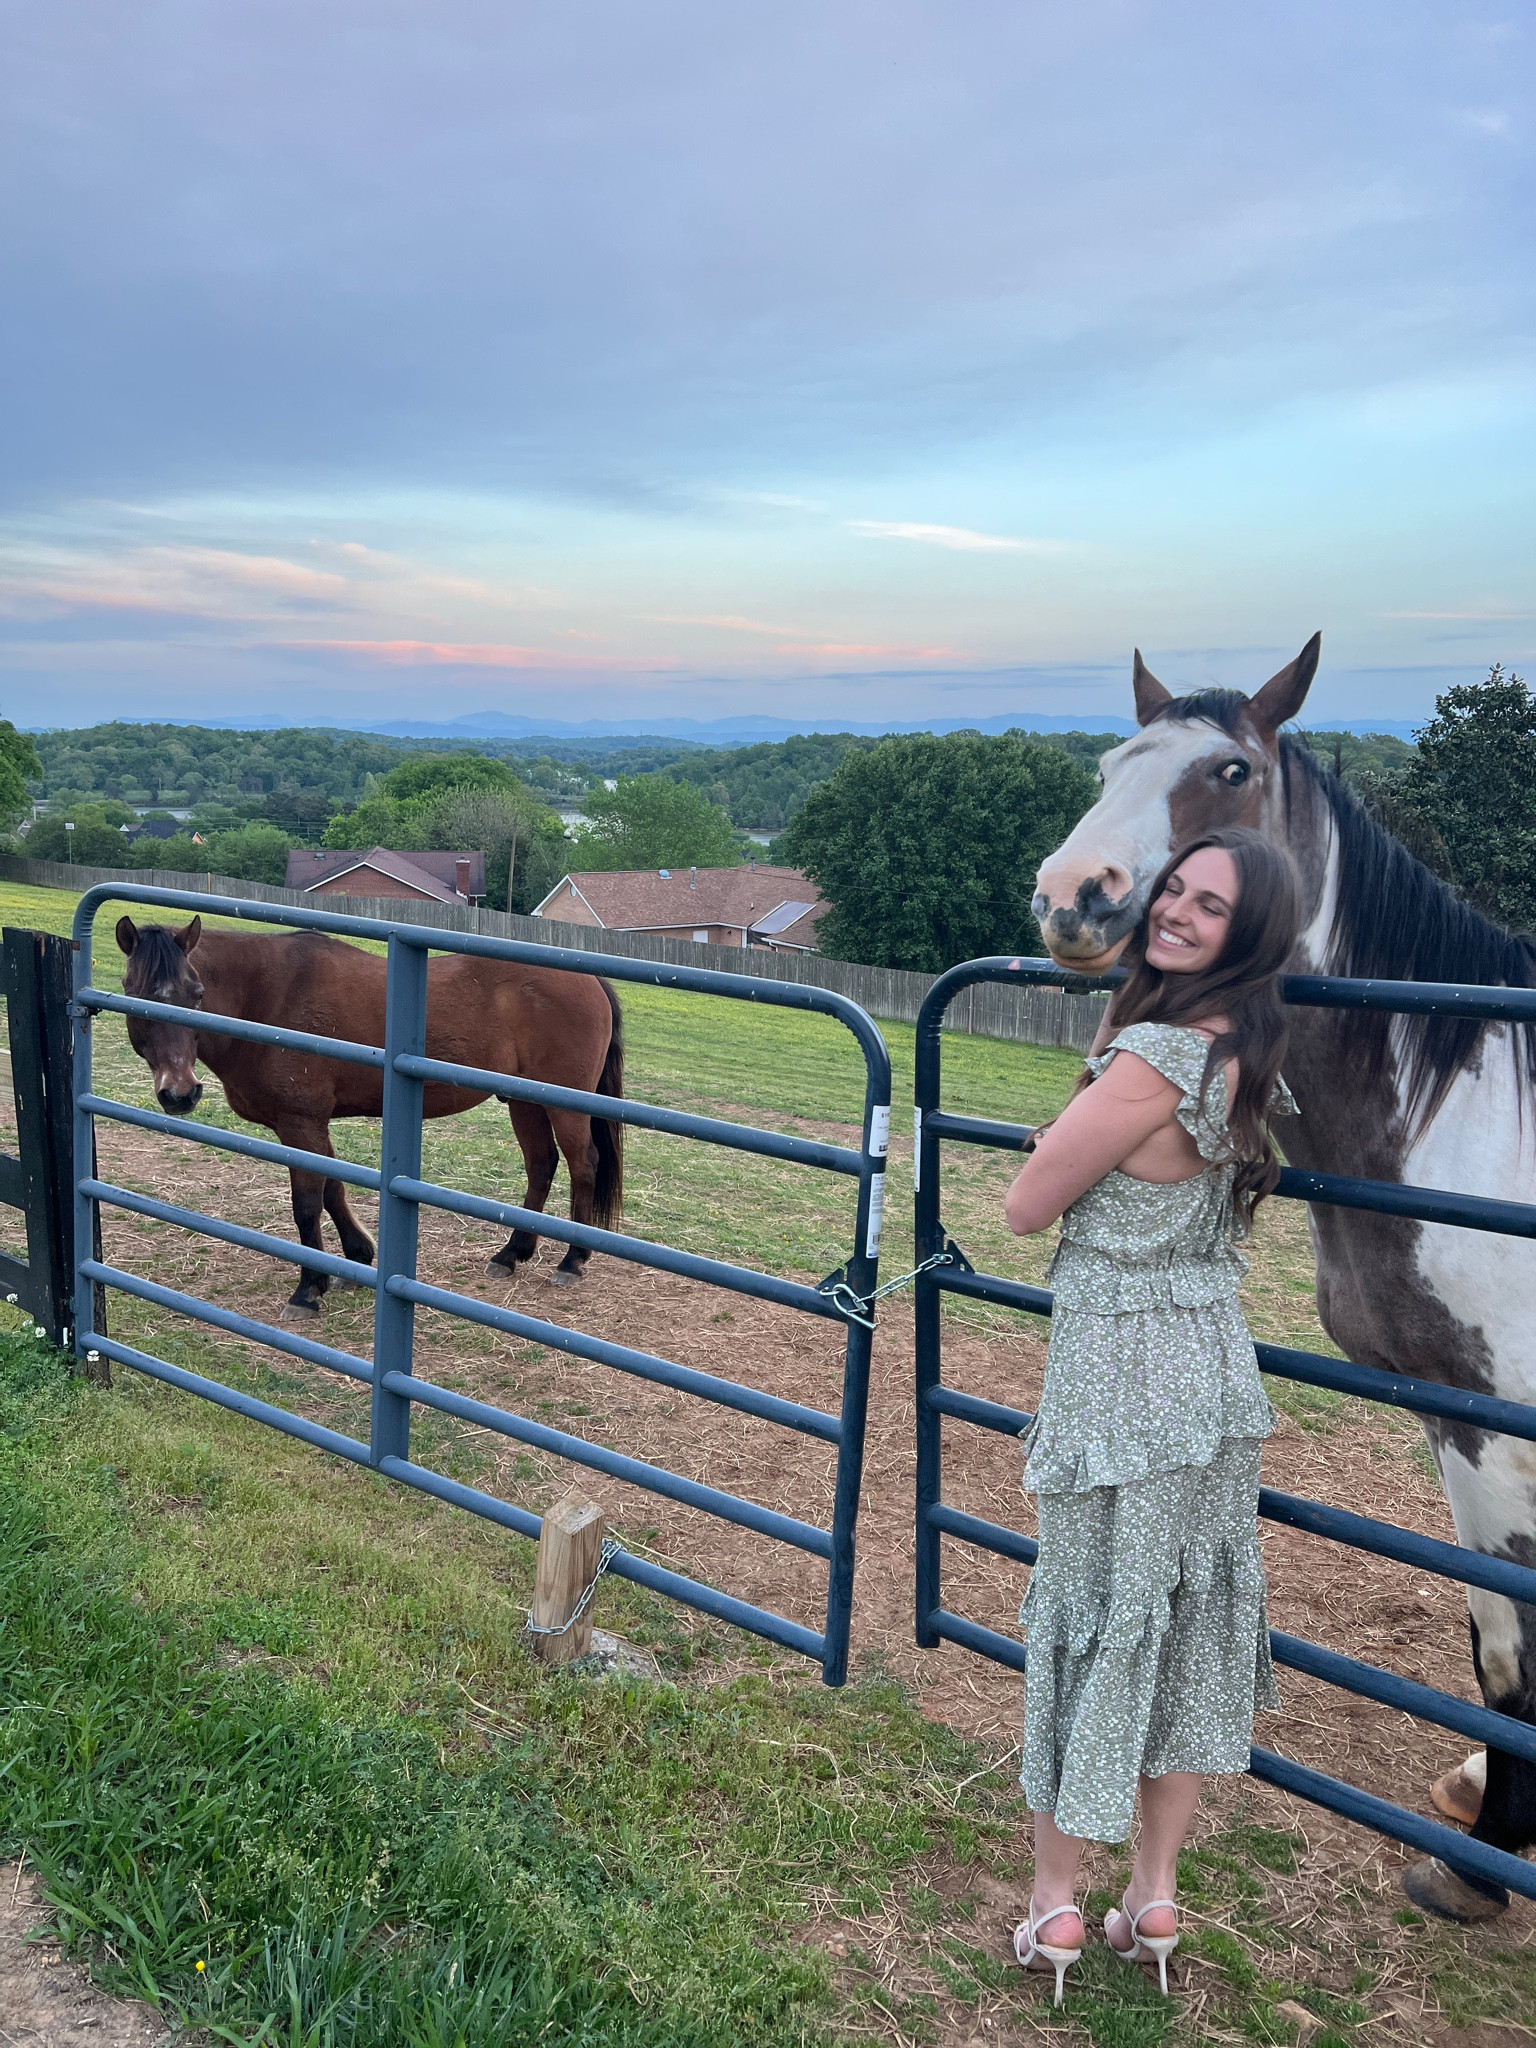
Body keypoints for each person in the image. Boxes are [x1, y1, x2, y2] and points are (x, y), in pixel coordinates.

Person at [1002, 826, 1300, 2004]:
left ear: (1248, 931)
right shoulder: (1249, 1046)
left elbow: (1029, 1204)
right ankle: (1157, 1894)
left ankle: (1055, 1903)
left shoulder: (1153, 1055)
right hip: (1215, 1373)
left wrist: (1062, 1132)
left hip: (1118, 1373)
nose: (1173, 908)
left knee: (1088, 1620)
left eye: (1207, 904)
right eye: (1171, 887)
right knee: (1179, 1621)